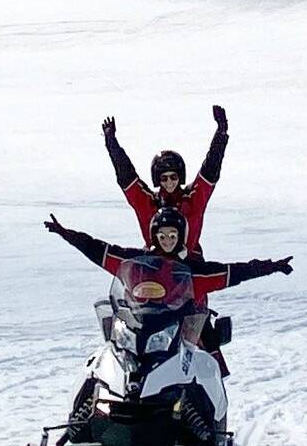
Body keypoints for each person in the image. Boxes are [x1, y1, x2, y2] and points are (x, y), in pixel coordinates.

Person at [43, 207, 289, 329]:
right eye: (163, 235)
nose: (168, 239)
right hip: (138, 328)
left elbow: (235, 272)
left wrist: (271, 266)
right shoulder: (137, 263)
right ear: (154, 236)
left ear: (180, 236)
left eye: (173, 235)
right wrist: (66, 234)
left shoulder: (193, 271)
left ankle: (205, 422)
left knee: (204, 365)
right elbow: (99, 250)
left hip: (178, 333)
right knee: (101, 364)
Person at [102, 106, 229, 255]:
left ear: (180, 177)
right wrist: (112, 144)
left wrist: (221, 133)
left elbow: (209, 172)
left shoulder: (193, 200)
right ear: (157, 179)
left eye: (173, 177)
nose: (169, 182)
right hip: (154, 267)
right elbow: (127, 177)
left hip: (190, 266)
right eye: (164, 178)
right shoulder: (148, 203)